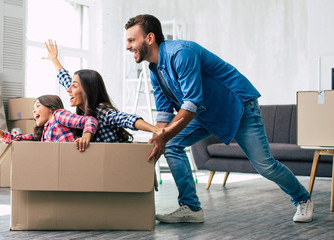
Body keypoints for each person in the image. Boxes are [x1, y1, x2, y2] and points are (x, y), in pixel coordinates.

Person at [124, 14, 313, 223]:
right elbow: (163, 113)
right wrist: (158, 138)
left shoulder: (181, 53)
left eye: (132, 40)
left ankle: (303, 199)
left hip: (238, 107)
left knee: (265, 165)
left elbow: (191, 103)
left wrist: (165, 135)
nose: (127, 46)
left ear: (149, 38)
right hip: (206, 113)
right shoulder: (154, 70)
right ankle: (191, 208)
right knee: (171, 144)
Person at [43, 40, 180, 159]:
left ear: (87, 90)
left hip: (116, 161)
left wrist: (156, 130)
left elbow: (127, 119)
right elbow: (65, 79)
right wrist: (54, 59)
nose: (68, 89)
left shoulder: (102, 111)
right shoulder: (83, 106)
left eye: (74, 86)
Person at [0, 94, 98, 151]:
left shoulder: (58, 115)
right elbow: (15, 140)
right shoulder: (43, 133)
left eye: (38, 106)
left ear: (50, 107)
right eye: (33, 108)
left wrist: (86, 135)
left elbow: (89, 120)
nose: (34, 111)